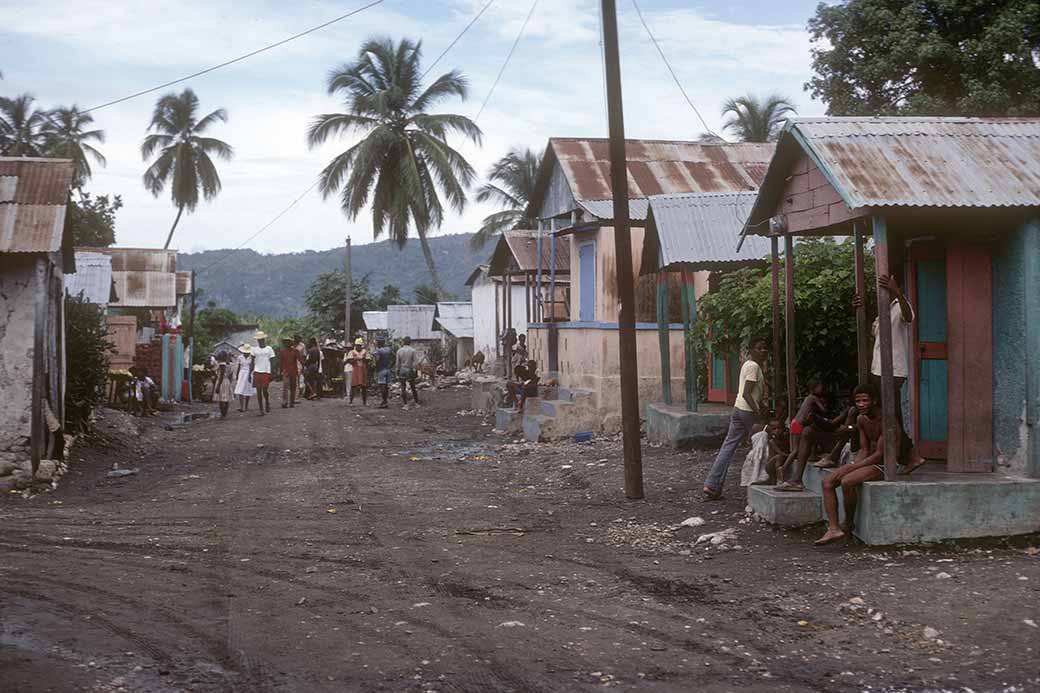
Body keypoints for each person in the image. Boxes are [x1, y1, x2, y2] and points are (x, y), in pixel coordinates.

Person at [855, 274, 925, 474]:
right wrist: (860, 308)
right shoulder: (882, 310)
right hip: (878, 368)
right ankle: (908, 455)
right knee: (888, 415)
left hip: (894, 369)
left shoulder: (900, 304)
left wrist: (897, 292)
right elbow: (874, 334)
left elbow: (909, 317)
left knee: (891, 415)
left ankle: (910, 455)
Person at [815, 383, 886, 546]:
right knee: (827, 481)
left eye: (865, 401)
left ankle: (848, 522)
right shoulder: (861, 419)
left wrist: (853, 468)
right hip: (869, 461)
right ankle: (834, 528)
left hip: (885, 466)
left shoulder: (886, 420)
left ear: (874, 401)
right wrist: (853, 464)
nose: (861, 405)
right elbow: (864, 449)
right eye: (858, 401)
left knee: (847, 481)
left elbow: (880, 454)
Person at [703, 336, 770, 500]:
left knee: (728, 446)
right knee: (764, 442)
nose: (763, 351)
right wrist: (758, 412)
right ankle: (761, 481)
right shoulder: (754, 366)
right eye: (759, 348)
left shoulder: (748, 364)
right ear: (751, 350)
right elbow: (748, 394)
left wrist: (762, 405)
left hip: (738, 409)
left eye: (765, 348)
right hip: (747, 411)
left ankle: (712, 485)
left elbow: (751, 393)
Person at [776, 380, 846, 492]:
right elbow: (824, 412)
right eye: (820, 386)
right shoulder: (813, 398)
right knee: (796, 450)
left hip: (795, 423)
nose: (821, 388)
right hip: (800, 424)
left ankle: (794, 469)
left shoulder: (808, 399)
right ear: (814, 389)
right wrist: (838, 413)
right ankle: (783, 468)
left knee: (805, 440)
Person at [251, 332, 275, 415]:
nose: (260, 341)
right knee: (258, 392)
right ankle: (261, 409)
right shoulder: (254, 349)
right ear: (257, 340)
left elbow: (272, 362)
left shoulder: (269, 349)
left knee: (265, 390)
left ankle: (267, 402)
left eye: (261, 339)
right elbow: (252, 362)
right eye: (259, 339)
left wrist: (272, 373)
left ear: (264, 339)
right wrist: (250, 374)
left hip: (266, 371)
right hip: (257, 371)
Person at [395, 336, 421, 408]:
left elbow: (397, 363)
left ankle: (405, 404)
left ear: (403, 342)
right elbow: (415, 362)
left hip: (402, 370)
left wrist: (397, 372)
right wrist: (416, 371)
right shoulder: (413, 350)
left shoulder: (399, 351)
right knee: (413, 387)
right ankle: (416, 403)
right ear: (410, 342)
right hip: (409, 369)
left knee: (403, 387)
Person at [346, 338, 369, 405]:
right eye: (357, 345)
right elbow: (349, 361)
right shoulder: (352, 352)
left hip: (363, 370)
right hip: (355, 370)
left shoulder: (365, 351)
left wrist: (363, 359)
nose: (358, 346)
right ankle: (351, 401)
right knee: (353, 386)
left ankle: (364, 402)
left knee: (364, 387)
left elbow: (368, 360)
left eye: (359, 345)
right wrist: (355, 359)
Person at [373, 336, 394, 409]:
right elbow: (394, 357)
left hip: (381, 369)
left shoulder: (378, 351)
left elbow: (377, 360)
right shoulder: (388, 349)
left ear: (378, 343)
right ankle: (385, 401)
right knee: (386, 386)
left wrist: (376, 368)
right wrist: (391, 366)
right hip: (388, 369)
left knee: (382, 386)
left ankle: (384, 401)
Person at [234, 343, 255, 412]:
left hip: (248, 374)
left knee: (247, 390)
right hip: (242, 374)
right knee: (240, 390)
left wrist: (250, 375)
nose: (246, 353)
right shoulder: (240, 357)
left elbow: (252, 367)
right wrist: (237, 375)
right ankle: (241, 407)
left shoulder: (251, 357)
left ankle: (246, 407)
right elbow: (239, 367)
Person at [280, 337, 301, 408]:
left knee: (293, 387)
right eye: (286, 342)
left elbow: (300, 359)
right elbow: (281, 362)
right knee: (285, 387)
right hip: (286, 371)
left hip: (293, 371)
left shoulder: (295, 351)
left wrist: (304, 366)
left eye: (288, 342)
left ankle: (291, 402)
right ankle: (285, 402)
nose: (287, 343)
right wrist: (280, 371)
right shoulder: (282, 351)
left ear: (291, 343)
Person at [214, 353, 234, 418]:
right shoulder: (230, 365)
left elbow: (221, 375)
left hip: (221, 382)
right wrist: (229, 383)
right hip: (227, 381)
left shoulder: (222, 365)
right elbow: (231, 375)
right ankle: (224, 414)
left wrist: (218, 385)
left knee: (221, 399)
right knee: (226, 398)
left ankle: (223, 414)